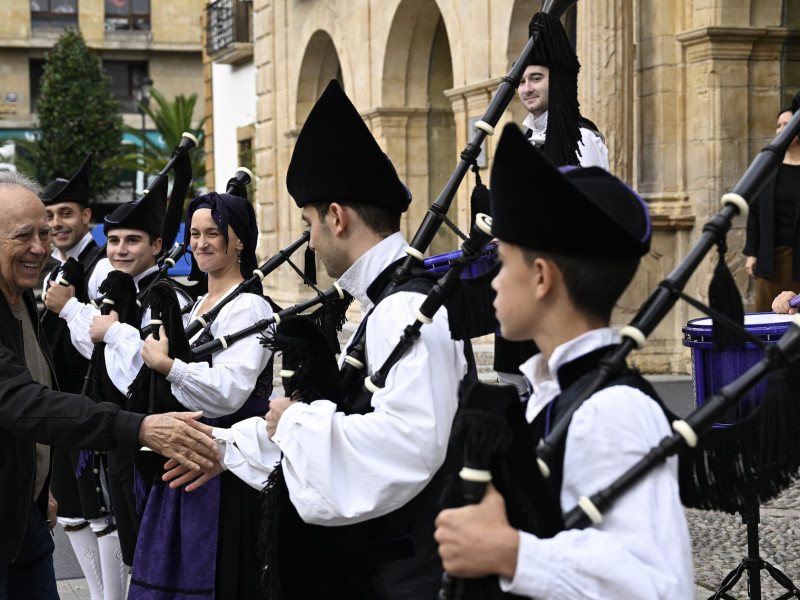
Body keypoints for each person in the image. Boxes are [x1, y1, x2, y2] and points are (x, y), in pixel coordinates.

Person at [165, 80, 469, 598]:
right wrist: (224, 445)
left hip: (407, 574)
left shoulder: (401, 310)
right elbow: (355, 421)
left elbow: (411, 446)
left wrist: (297, 420)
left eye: (309, 221)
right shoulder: (385, 304)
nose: (311, 237)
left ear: (335, 216)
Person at [434, 124, 693, 599]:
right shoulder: (550, 393)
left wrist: (512, 554)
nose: (492, 281)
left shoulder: (612, 412)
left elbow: (659, 587)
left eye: (502, 262)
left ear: (539, 278)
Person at [0, 170, 220, 600]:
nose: (40, 248)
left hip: (25, 520)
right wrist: (137, 427)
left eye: (44, 233)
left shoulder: (21, 292)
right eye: (23, 235)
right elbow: (20, 402)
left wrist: (34, 489)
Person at [125, 191, 275, 599]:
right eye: (194, 233)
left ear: (239, 240)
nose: (201, 242)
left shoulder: (250, 307)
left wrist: (168, 366)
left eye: (214, 233)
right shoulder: (197, 305)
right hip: (190, 450)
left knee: (217, 573)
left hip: (226, 463)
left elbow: (230, 392)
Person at [43, 176, 192, 568]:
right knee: (131, 545)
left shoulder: (166, 297)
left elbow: (144, 370)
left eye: (133, 240)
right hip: (125, 435)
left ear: (157, 246)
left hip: (156, 437)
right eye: (114, 241)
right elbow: (99, 358)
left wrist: (84, 316)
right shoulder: (125, 292)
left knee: (155, 551)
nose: (120, 250)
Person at [497, 11, 611, 397]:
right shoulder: (523, 140)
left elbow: (596, 213)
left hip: (563, 283)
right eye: (522, 80)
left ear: (555, 80)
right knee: (519, 383)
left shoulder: (582, 138)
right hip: (523, 279)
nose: (526, 88)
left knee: (563, 383)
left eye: (536, 78)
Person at [38, 155, 126, 600]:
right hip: (59, 408)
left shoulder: (102, 268)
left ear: (86, 216)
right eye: (50, 215)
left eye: (66, 214)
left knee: (100, 512)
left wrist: (68, 307)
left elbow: (103, 347)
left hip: (91, 404)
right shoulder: (55, 267)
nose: (56, 223)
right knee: (71, 513)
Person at [744, 104, 800, 312]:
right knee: (767, 322)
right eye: (778, 125)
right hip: (771, 260)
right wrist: (752, 253)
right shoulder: (768, 166)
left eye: (788, 124)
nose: (781, 129)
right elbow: (755, 213)